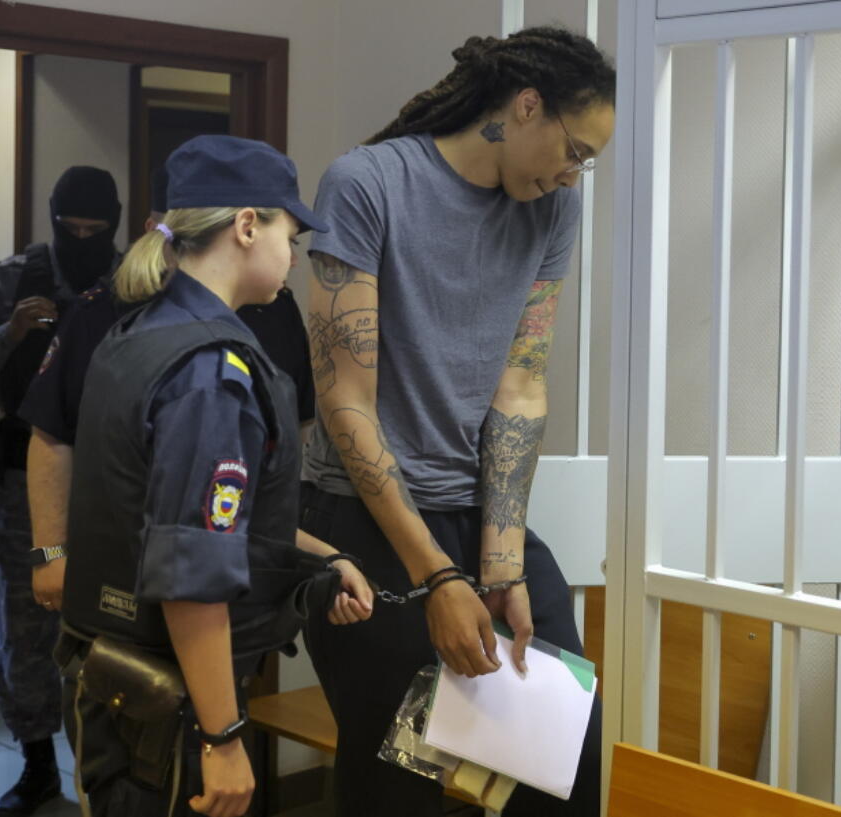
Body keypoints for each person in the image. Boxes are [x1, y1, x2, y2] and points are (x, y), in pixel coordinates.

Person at [300, 26, 615, 816]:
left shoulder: (553, 215)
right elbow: (345, 399)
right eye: (574, 150)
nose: (574, 177)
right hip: (362, 513)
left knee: (558, 747)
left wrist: (501, 562)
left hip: (474, 510)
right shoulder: (367, 182)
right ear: (526, 105)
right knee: (403, 774)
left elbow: (520, 383)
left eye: (588, 163)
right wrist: (436, 573)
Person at [56, 134, 373, 817]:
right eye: (291, 231)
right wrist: (224, 735)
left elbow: (191, 513)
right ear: (247, 225)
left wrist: (323, 556)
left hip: (112, 677)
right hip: (169, 702)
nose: (295, 253)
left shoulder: (138, 332)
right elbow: (190, 570)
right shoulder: (210, 373)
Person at [20, 166, 317, 615]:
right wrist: (51, 551)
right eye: (290, 240)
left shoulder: (275, 310)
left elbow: (288, 439)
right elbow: (51, 432)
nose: (292, 258)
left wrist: (309, 551)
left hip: (238, 567)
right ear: (245, 228)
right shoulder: (105, 314)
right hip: (131, 571)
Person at [0, 166, 124, 817]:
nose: (82, 238)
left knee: (107, 622)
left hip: (111, 480)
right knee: (29, 625)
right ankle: (35, 764)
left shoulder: (132, 279)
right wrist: (10, 336)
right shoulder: (12, 277)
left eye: (95, 229)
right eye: (70, 228)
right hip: (23, 481)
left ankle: (104, 758)